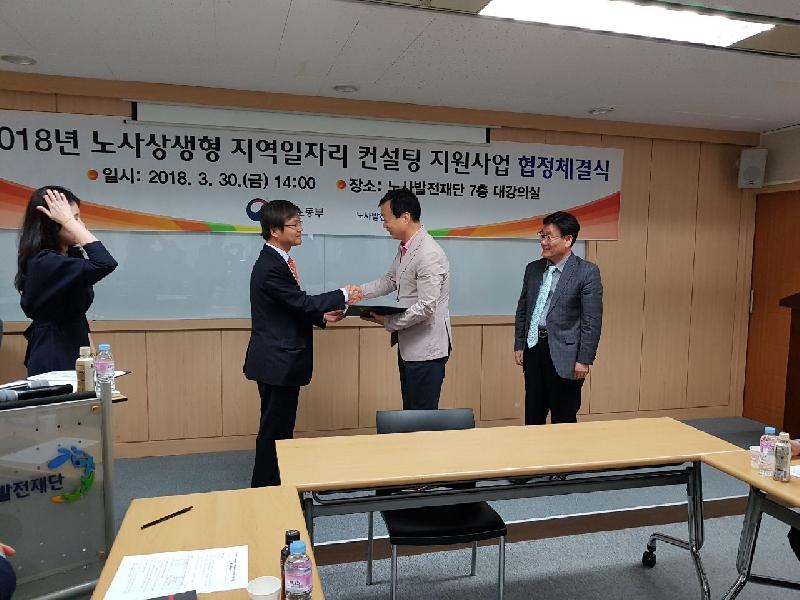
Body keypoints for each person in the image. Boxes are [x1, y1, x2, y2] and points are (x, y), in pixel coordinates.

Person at [243, 199, 362, 487]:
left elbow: (288, 308)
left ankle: (275, 484)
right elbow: (300, 302)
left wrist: (321, 316)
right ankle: (265, 489)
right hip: (276, 361)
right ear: (274, 230)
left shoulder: (278, 260)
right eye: (293, 224)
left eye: (300, 223)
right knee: (274, 430)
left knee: (280, 428)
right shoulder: (270, 266)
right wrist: (342, 295)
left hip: (278, 359)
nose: (300, 229)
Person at [358, 188, 452, 410]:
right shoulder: (407, 247)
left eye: (386, 219)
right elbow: (390, 280)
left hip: (426, 350)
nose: (384, 225)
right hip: (410, 345)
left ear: (405, 217)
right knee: (410, 411)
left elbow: (426, 307)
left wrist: (388, 322)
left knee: (421, 417)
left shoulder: (428, 253)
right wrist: (357, 292)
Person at [15, 187, 118, 376]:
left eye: (77, 218)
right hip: (54, 352)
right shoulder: (45, 262)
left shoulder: (71, 255)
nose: (81, 225)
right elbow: (105, 263)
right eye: (72, 218)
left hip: (76, 345)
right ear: (51, 223)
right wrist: (70, 222)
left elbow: (75, 311)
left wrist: (89, 345)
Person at [514, 211, 602, 425]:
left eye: (548, 237)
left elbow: (591, 321)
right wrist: (519, 344)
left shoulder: (586, 272)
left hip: (567, 355)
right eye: (541, 235)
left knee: (563, 419)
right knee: (533, 415)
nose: (543, 242)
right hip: (534, 350)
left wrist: (584, 359)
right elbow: (523, 309)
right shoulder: (533, 269)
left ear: (568, 239)